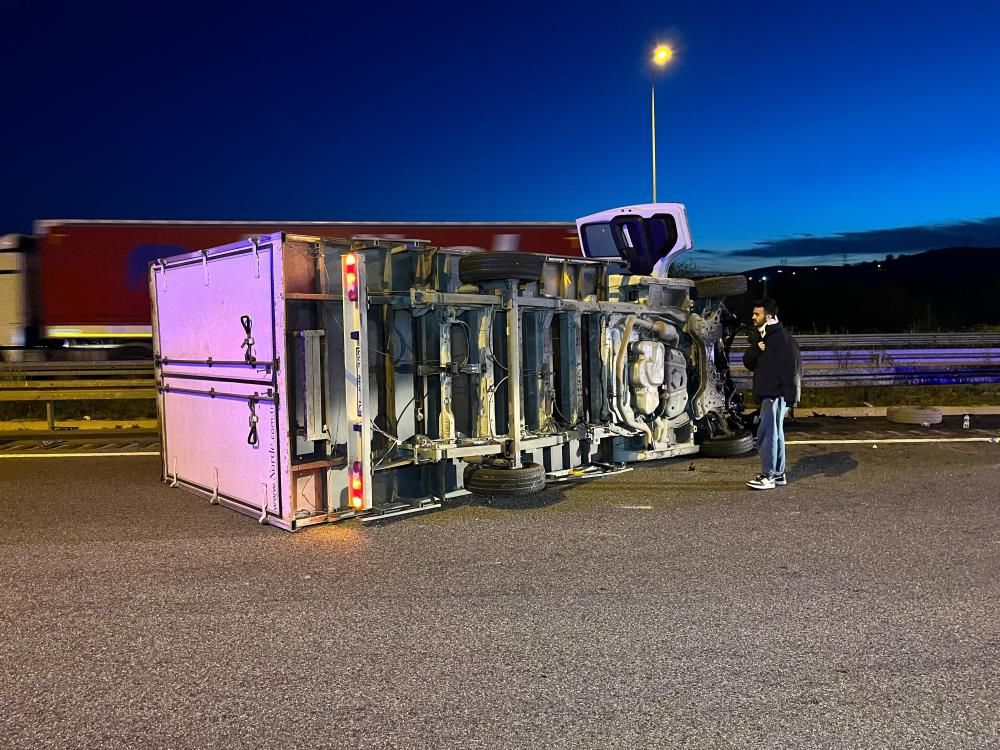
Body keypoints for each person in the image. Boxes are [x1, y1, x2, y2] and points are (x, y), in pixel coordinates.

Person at [742, 298, 799, 490]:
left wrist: (790, 395)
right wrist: (756, 348)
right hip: (770, 392)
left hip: (775, 393)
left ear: (768, 316)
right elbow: (748, 363)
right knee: (776, 433)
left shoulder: (780, 339)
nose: (753, 317)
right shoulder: (763, 338)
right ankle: (779, 474)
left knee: (767, 434)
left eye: (757, 314)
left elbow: (790, 368)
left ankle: (768, 476)